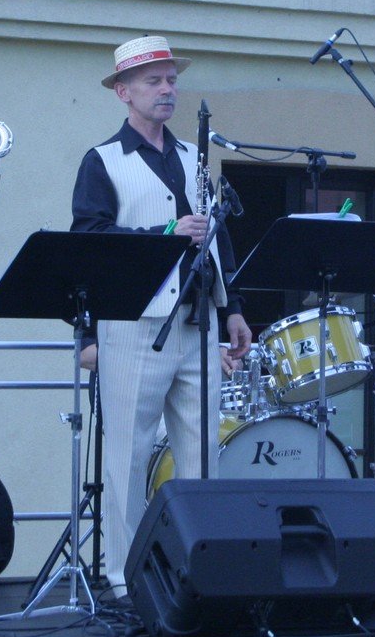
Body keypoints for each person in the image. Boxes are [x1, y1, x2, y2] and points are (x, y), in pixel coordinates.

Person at [70, 35, 251, 599]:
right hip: (134, 324)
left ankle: (197, 570)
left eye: (171, 79)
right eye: (154, 81)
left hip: (198, 321)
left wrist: (233, 309)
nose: (167, 89)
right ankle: (125, 579)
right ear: (123, 92)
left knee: (202, 455)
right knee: (128, 454)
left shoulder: (195, 156)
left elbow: (218, 239)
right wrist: (164, 233)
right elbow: (90, 239)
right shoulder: (102, 161)